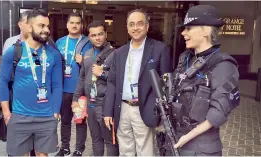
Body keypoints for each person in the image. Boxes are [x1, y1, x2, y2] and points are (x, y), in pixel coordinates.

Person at [170, 5, 240, 156]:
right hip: (176, 139)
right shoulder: (185, 59)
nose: (183, 33)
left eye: (188, 28)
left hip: (201, 148)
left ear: (206, 31)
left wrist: (186, 137)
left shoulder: (223, 65)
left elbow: (219, 112)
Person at [103, 9, 172, 156]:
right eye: (131, 24)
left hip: (145, 108)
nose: (135, 28)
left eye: (140, 24)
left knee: (145, 151)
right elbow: (112, 83)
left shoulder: (160, 49)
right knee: (125, 150)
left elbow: (166, 84)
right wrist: (108, 111)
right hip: (123, 109)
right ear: (127, 28)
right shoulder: (119, 52)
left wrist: (161, 112)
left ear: (147, 26)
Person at [0, 9, 63, 156]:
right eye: (41, 26)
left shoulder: (54, 55)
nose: (46, 30)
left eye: (47, 26)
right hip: (20, 115)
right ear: (28, 27)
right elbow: (2, 81)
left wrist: (55, 113)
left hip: (46, 116)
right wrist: (7, 113)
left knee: (42, 154)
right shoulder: (13, 52)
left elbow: (57, 85)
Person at [72, 21, 119, 156]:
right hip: (90, 104)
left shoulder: (115, 54)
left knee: (110, 141)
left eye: (100, 34)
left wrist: (102, 74)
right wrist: (75, 99)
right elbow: (82, 78)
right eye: (93, 35)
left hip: (106, 105)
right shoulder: (87, 54)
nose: (97, 38)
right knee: (95, 139)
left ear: (105, 34)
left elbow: (120, 79)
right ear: (89, 36)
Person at [55, 13, 92, 156]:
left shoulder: (87, 43)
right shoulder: (59, 42)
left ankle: (79, 149)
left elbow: (94, 64)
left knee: (80, 121)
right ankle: (65, 147)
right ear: (67, 25)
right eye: (72, 22)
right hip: (63, 89)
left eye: (77, 23)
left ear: (81, 25)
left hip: (80, 90)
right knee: (64, 121)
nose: (74, 25)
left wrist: (84, 62)